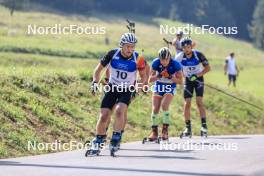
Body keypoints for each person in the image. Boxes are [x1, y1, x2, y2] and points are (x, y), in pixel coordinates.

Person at [88, 32, 147, 156]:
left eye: (132, 47)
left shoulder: (138, 58)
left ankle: (115, 138)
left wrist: (139, 88)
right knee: (104, 115)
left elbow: (143, 76)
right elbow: (98, 69)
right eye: (127, 46)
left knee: (120, 110)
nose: (130, 49)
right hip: (112, 87)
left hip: (127, 89)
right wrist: (95, 82)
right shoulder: (112, 54)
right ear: (121, 45)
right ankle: (99, 139)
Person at [175, 37, 211, 138]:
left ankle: (204, 127)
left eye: (188, 47)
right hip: (188, 81)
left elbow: (208, 68)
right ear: (182, 48)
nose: (186, 49)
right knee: (187, 104)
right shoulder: (180, 56)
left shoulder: (198, 54)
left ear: (191, 46)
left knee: (199, 102)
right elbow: (173, 67)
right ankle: (188, 128)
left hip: (198, 79)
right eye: (184, 47)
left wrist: (197, 75)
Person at [148, 47, 183, 141]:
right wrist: (159, 75)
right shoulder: (156, 62)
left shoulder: (176, 64)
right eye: (162, 60)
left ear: (170, 58)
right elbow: (150, 79)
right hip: (159, 85)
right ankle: (154, 132)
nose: (164, 62)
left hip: (170, 86)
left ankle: (165, 131)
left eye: (166, 60)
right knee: (155, 108)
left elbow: (180, 81)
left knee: (164, 105)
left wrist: (170, 76)